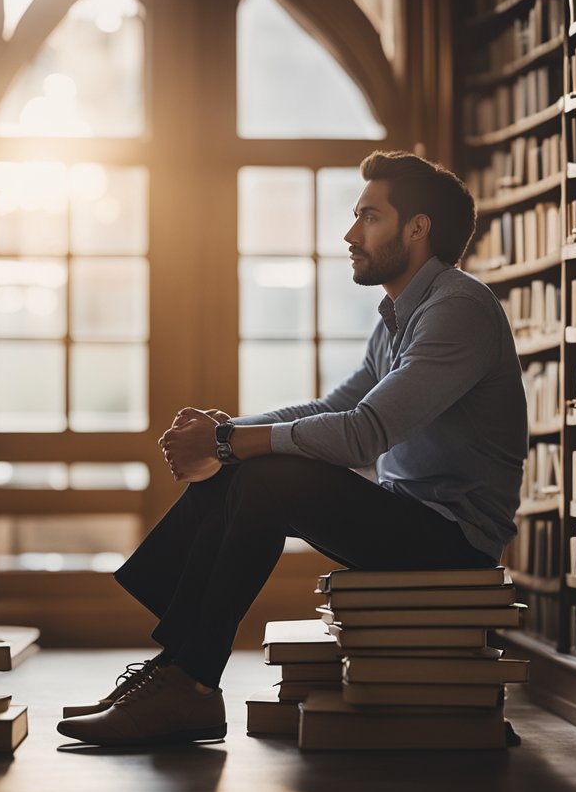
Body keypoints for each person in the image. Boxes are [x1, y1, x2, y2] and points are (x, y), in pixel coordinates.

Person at [56, 150, 528, 746]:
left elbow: (362, 433)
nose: (350, 234)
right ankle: (181, 673)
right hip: (410, 520)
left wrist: (226, 442)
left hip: (454, 539)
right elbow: (327, 409)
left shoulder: (457, 307)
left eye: (369, 217)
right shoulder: (398, 319)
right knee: (245, 464)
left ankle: (190, 681)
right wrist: (228, 429)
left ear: (418, 227)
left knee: (263, 474)